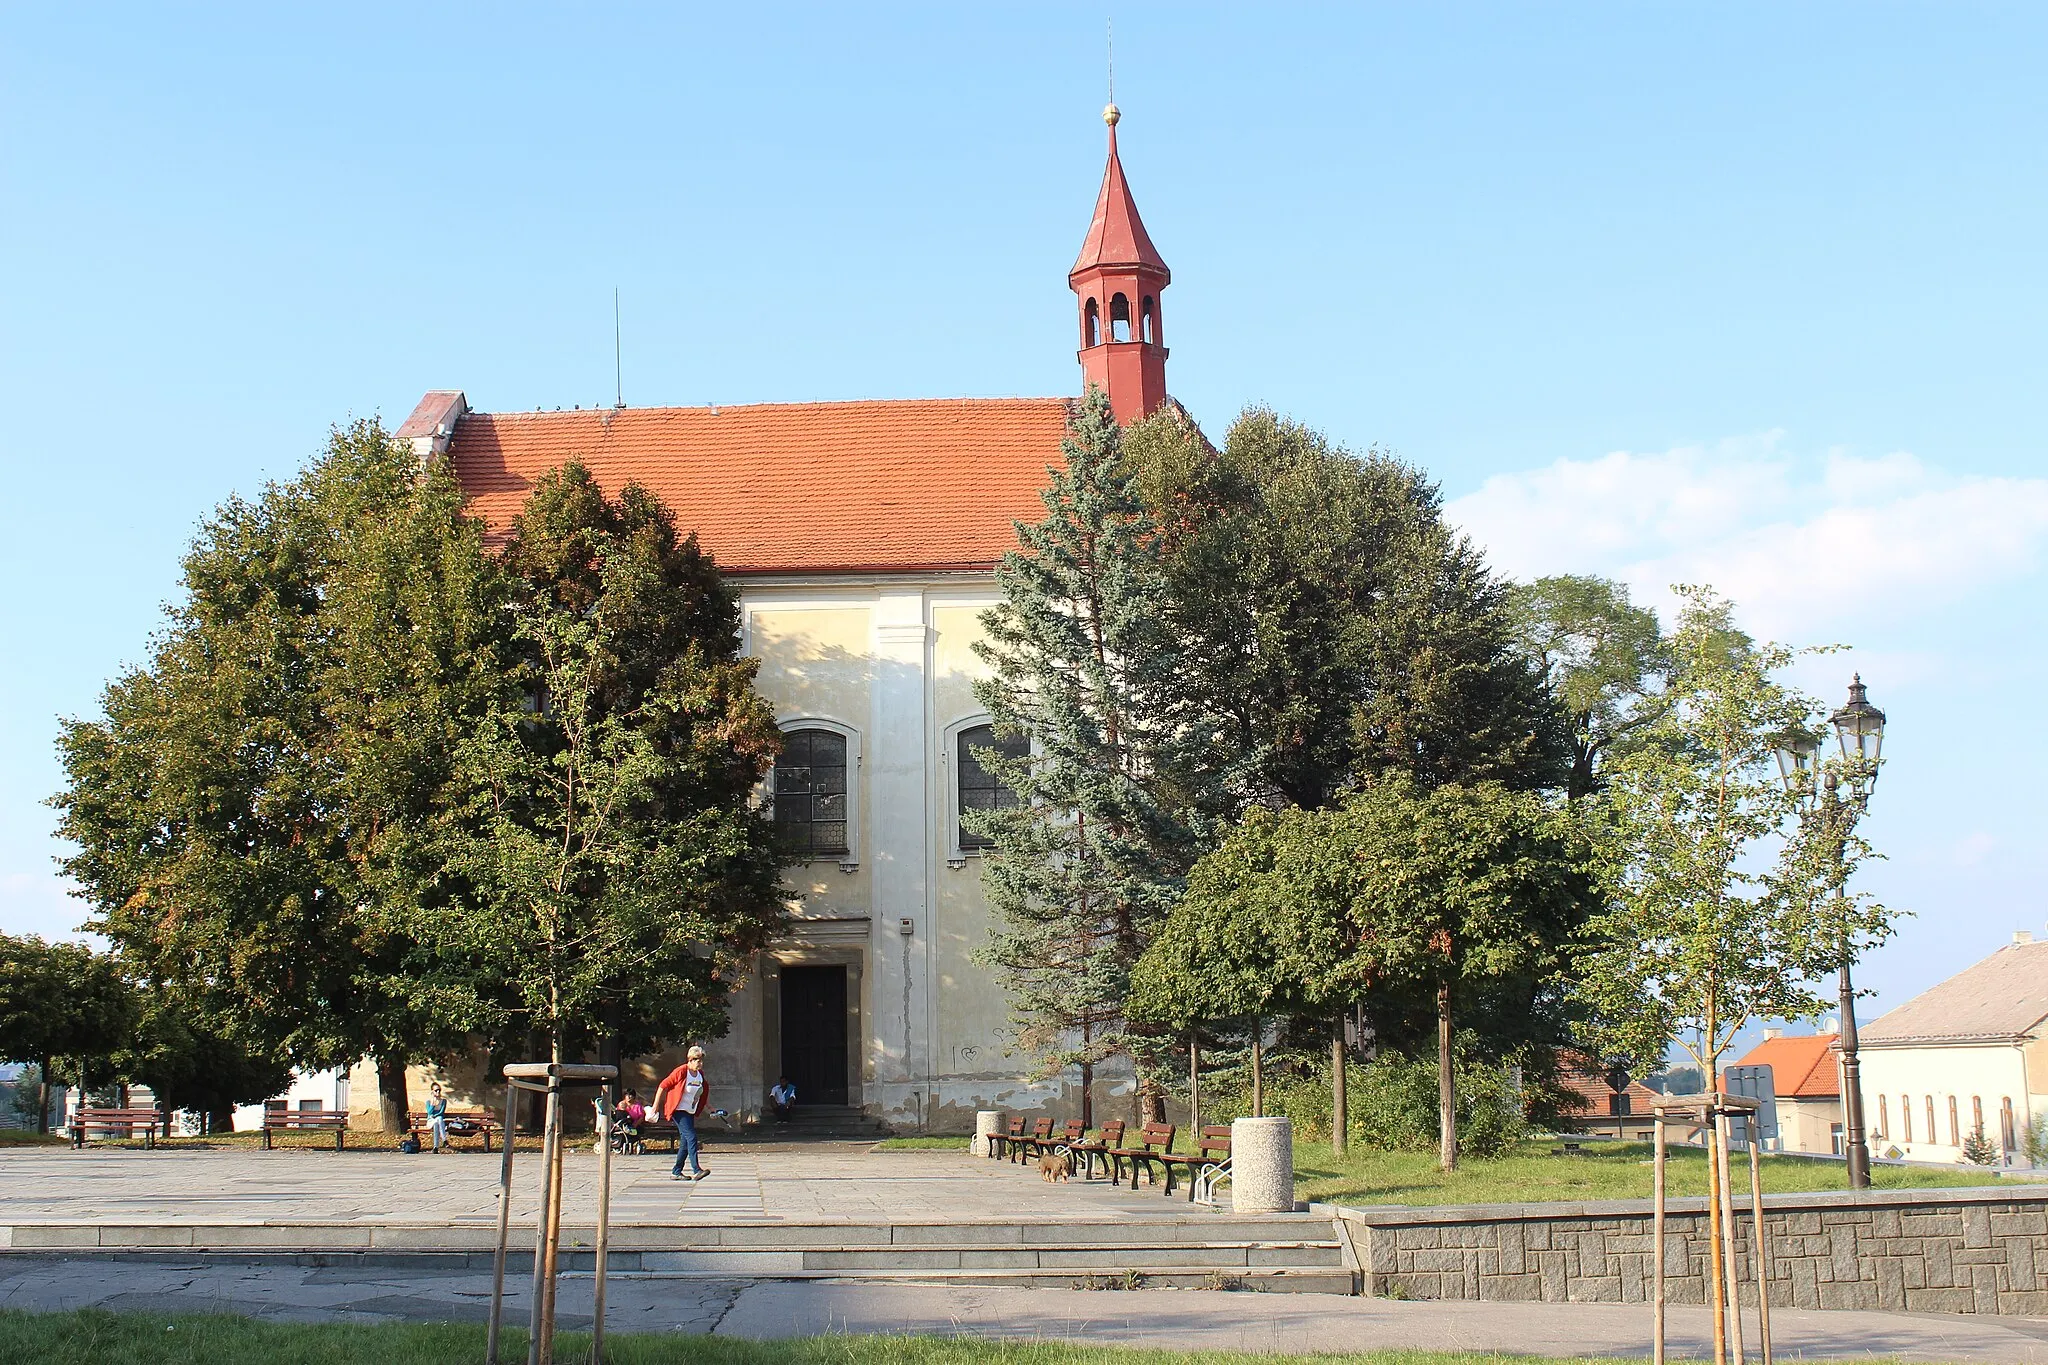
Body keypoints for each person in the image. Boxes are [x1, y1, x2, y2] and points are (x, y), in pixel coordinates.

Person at [655, 1046, 710, 1181]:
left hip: (689, 1111)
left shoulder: (700, 1075)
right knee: (692, 1137)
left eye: (701, 1060)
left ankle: (676, 1171)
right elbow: (663, 1085)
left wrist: (710, 1108)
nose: (699, 1063)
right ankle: (696, 1169)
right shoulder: (681, 1071)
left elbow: (700, 1094)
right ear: (690, 1060)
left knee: (685, 1143)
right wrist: (656, 1106)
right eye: (696, 1060)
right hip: (678, 1110)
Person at [425, 1082, 449, 1154]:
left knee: (439, 1120)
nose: (438, 1092)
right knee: (437, 1121)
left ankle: (435, 1147)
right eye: (436, 1090)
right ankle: (444, 1140)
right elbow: (429, 1113)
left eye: (439, 1090)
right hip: (431, 1121)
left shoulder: (443, 1101)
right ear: (432, 1091)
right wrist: (433, 1105)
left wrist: (435, 1115)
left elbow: (442, 1112)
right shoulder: (429, 1102)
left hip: (439, 1120)